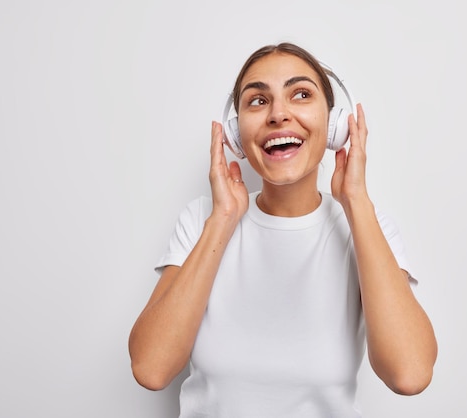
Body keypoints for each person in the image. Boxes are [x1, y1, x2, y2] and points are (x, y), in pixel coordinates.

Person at [128, 42, 437, 417]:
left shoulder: (369, 227)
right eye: (257, 101)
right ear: (236, 133)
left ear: (336, 125)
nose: (278, 114)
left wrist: (355, 200)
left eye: (301, 94)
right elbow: (150, 367)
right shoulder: (202, 220)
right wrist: (224, 218)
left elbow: (410, 374)